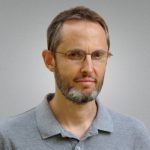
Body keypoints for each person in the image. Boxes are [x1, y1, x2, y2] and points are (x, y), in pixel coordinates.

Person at [0, 6, 150, 150]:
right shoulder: (7, 136)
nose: (88, 69)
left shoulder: (135, 136)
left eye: (98, 55)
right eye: (75, 55)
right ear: (49, 60)